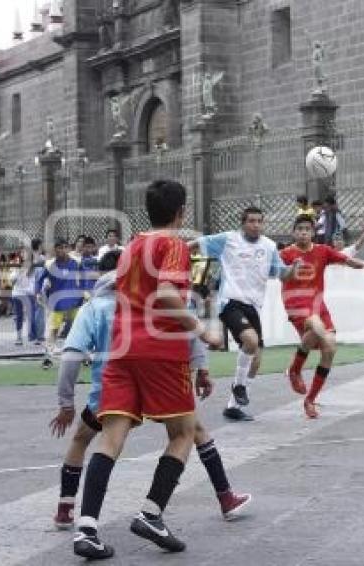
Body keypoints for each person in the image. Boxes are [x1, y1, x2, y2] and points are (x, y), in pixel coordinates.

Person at [71, 179, 222, 559]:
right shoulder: (171, 244)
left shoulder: (132, 246)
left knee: (111, 437)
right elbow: (169, 295)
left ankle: (86, 528)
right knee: (184, 433)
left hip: (121, 350)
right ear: (181, 212)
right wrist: (201, 329)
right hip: (160, 350)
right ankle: (152, 512)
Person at [50, 251, 249, 530]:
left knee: (85, 439)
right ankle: (223, 497)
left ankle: (68, 510)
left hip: (112, 389)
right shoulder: (153, 296)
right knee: (193, 430)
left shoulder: (94, 307)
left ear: (100, 275)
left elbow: (71, 356)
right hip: (157, 382)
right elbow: (187, 327)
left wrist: (66, 403)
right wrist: (202, 369)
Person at [191, 206, 297, 422]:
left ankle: (233, 406)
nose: (256, 225)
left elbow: (282, 275)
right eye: (251, 221)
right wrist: (169, 251)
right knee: (250, 340)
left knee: (256, 358)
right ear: (243, 223)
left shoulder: (268, 246)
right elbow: (195, 245)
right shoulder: (228, 239)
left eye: (259, 221)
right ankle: (239, 386)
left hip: (253, 306)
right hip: (230, 301)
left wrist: (293, 268)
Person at [281, 215, 364, 419]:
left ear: (313, 232)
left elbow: (347, 259)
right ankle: (295, 371)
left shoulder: (322, 251)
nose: (304, 232)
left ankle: (310, 399)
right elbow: (276, 272)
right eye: (300, 229)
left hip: (318, 305)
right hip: (296, 304)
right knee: (315, 326)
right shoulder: (286, 254)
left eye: (307, 229)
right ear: (293, 232)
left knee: (330, 347)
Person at [37, 240, 83, 368]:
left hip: (74, 301)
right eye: (58, 248)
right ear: (54, 250)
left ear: (67, 248)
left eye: (64, 248)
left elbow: (84, 276)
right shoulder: (50, 265)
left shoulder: (76, 262)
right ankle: (47, 357)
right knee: (54, 330)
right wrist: (38, 293)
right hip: (58, 303)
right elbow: (39, 280)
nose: (61, 250)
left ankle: (83, 355)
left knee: (79, 328)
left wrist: (84, 292)